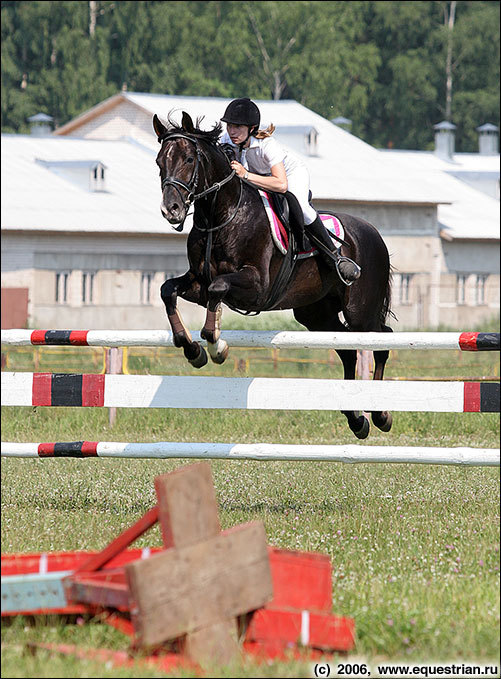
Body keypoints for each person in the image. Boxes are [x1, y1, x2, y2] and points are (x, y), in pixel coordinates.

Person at [220, 97, 360, 283]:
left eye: (237, 127)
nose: (232, 131)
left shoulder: (267, 145)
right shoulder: (226, 140)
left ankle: (336, 257)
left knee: (302, 208)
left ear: (251, 128)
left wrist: (245, 175)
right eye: (229, 125)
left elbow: (281, 184)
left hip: (290, 175)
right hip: (259, 177)